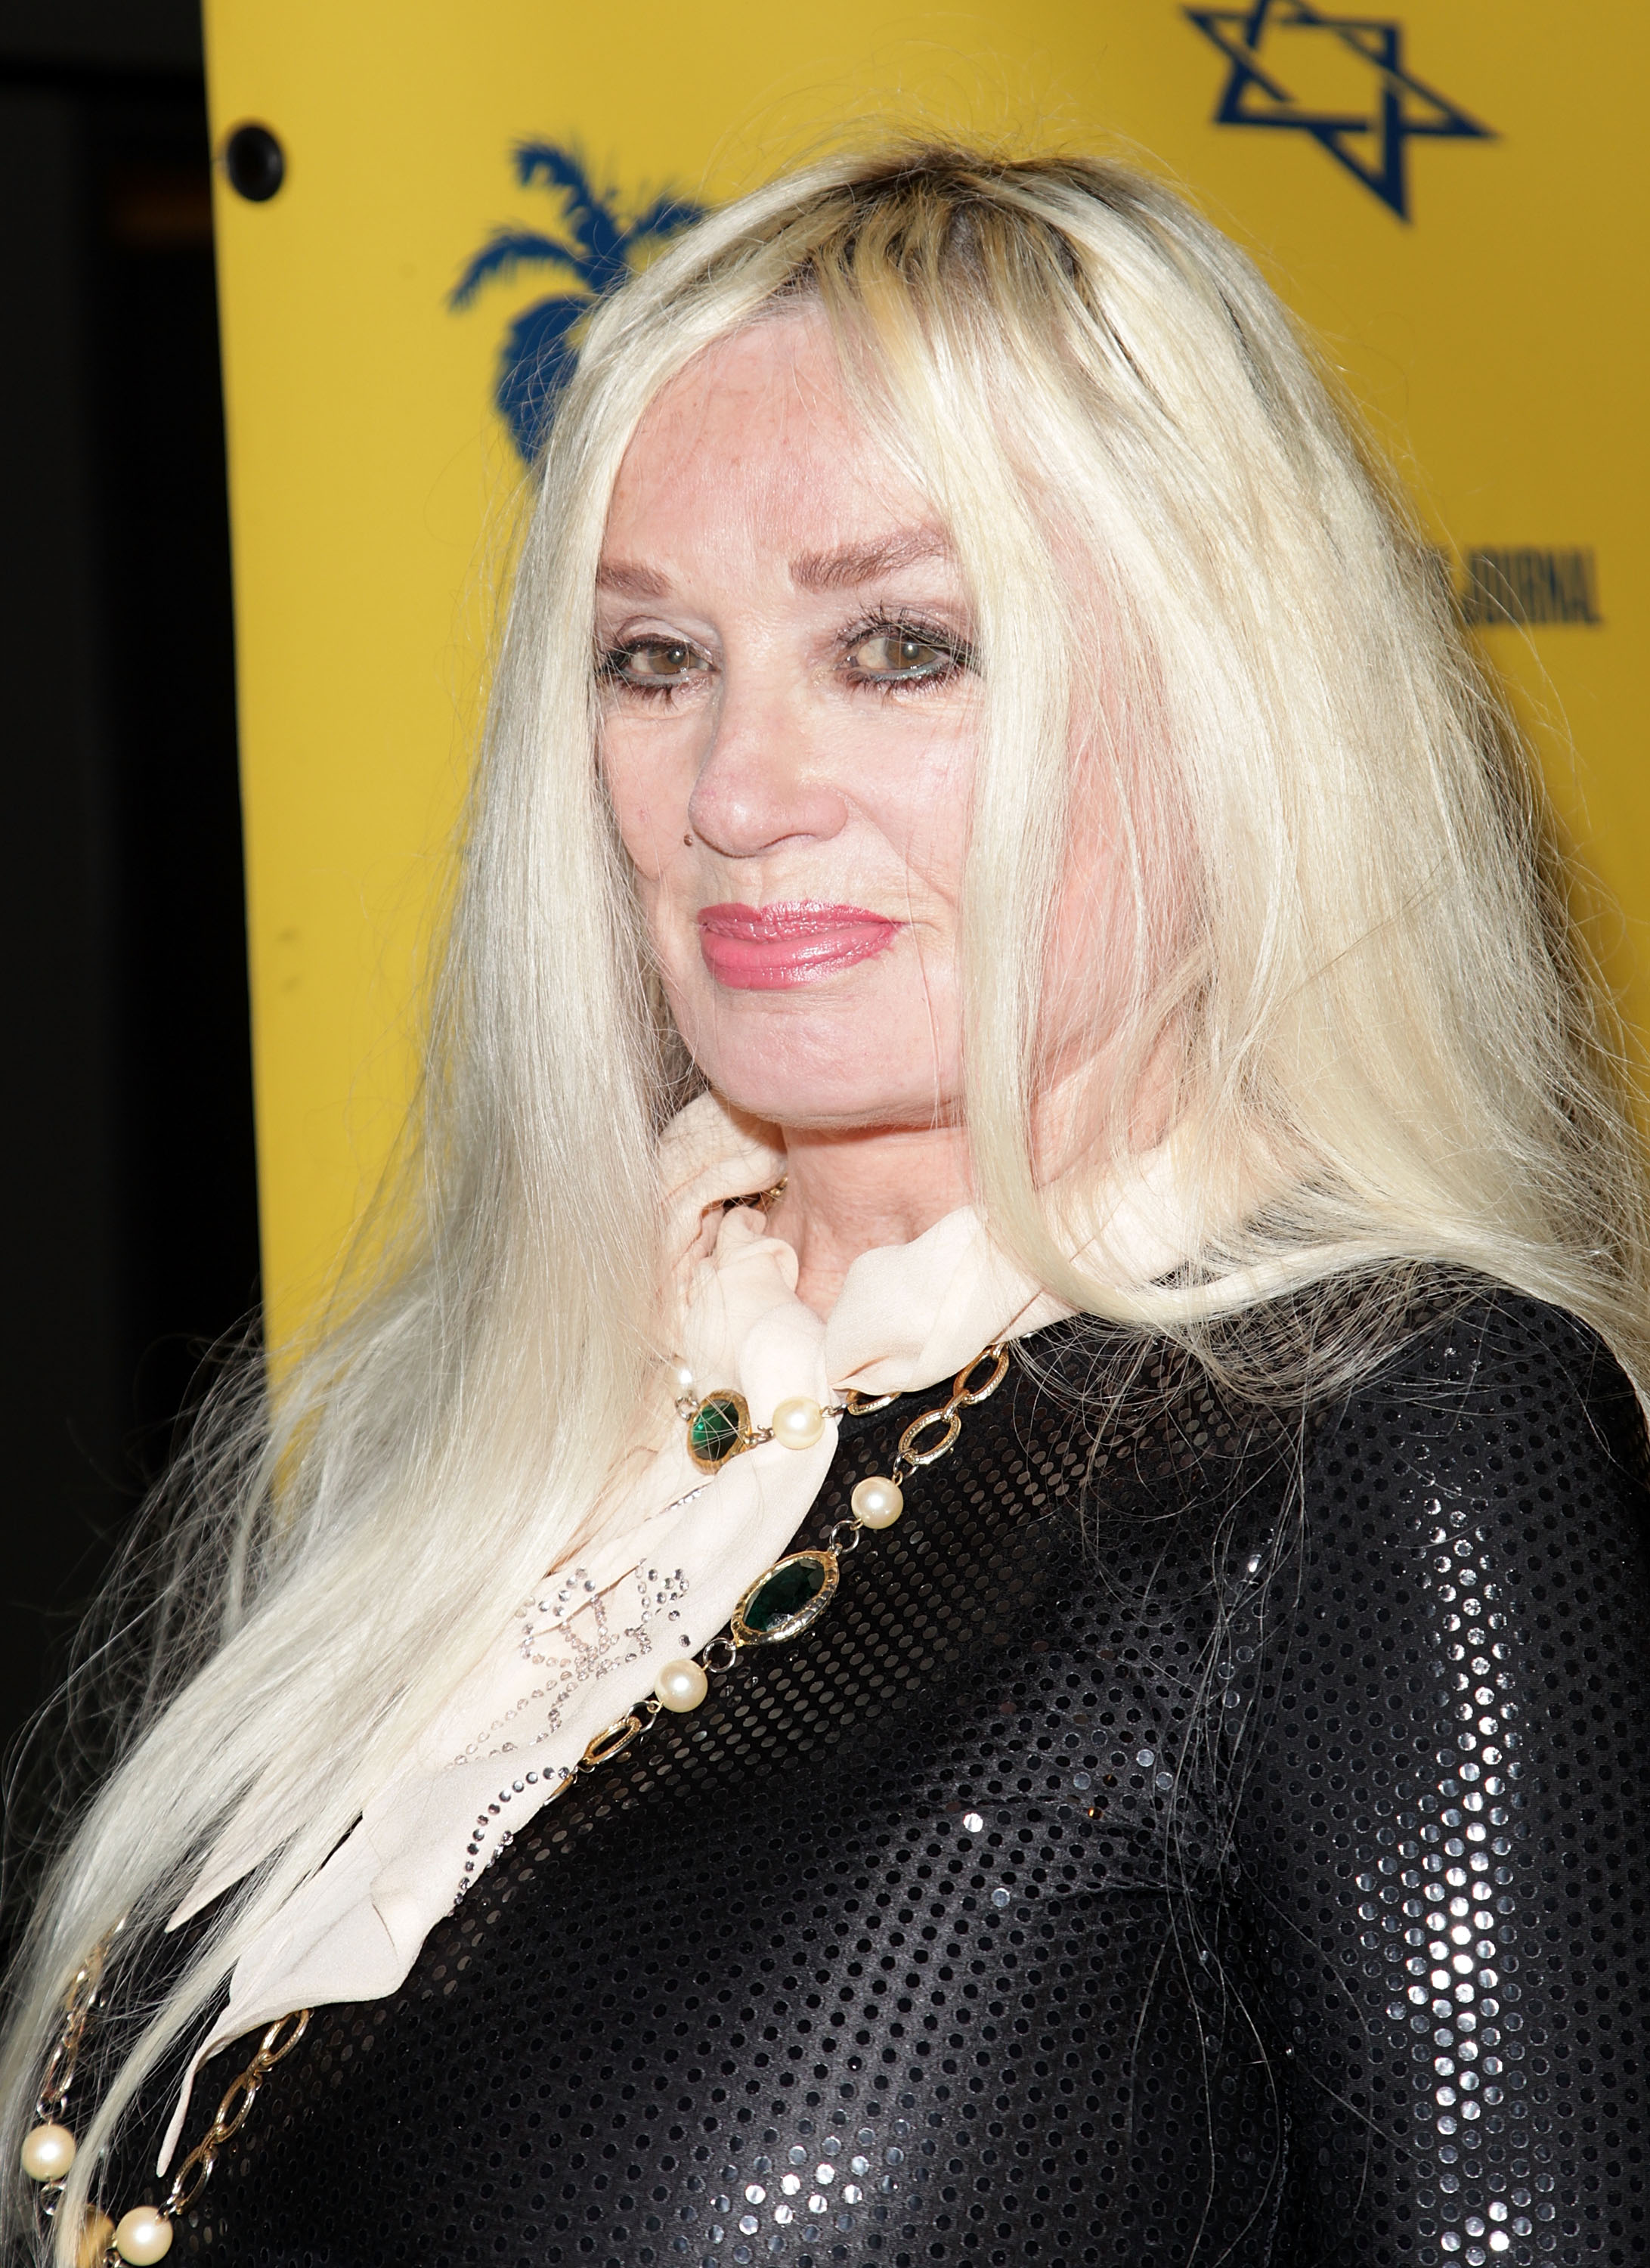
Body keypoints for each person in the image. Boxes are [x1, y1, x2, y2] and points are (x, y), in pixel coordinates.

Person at [3, 144, 1647, 2268]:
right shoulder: (501, 1443)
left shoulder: (1388, 1443)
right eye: (654, 659)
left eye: (900, 645)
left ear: (1227, 693)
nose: (736, 793)